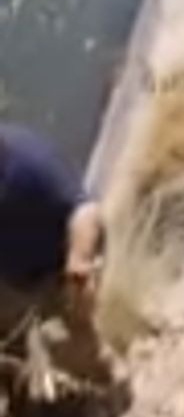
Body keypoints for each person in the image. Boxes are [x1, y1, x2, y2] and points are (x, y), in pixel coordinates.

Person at [0, 123, 114, 399]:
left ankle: (106, 385)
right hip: (13, 280)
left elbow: (85, 211)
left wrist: (78, 261)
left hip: (61, 265)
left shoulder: (27, 159)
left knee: (71, 346)